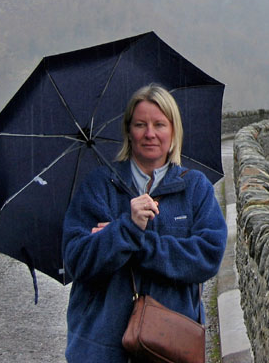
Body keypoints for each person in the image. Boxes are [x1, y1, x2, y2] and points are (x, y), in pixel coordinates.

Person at [62, 84, 227, 362]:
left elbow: (207, 256)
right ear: (129, 131)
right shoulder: (99, 186)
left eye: (159, 124)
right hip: (101, 349)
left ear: (173, 132)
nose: (150, 134)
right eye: (140, 124)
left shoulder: (195, 187)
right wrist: (126, 226)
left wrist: (135, 242)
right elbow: (76, 259)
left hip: (169, 346)